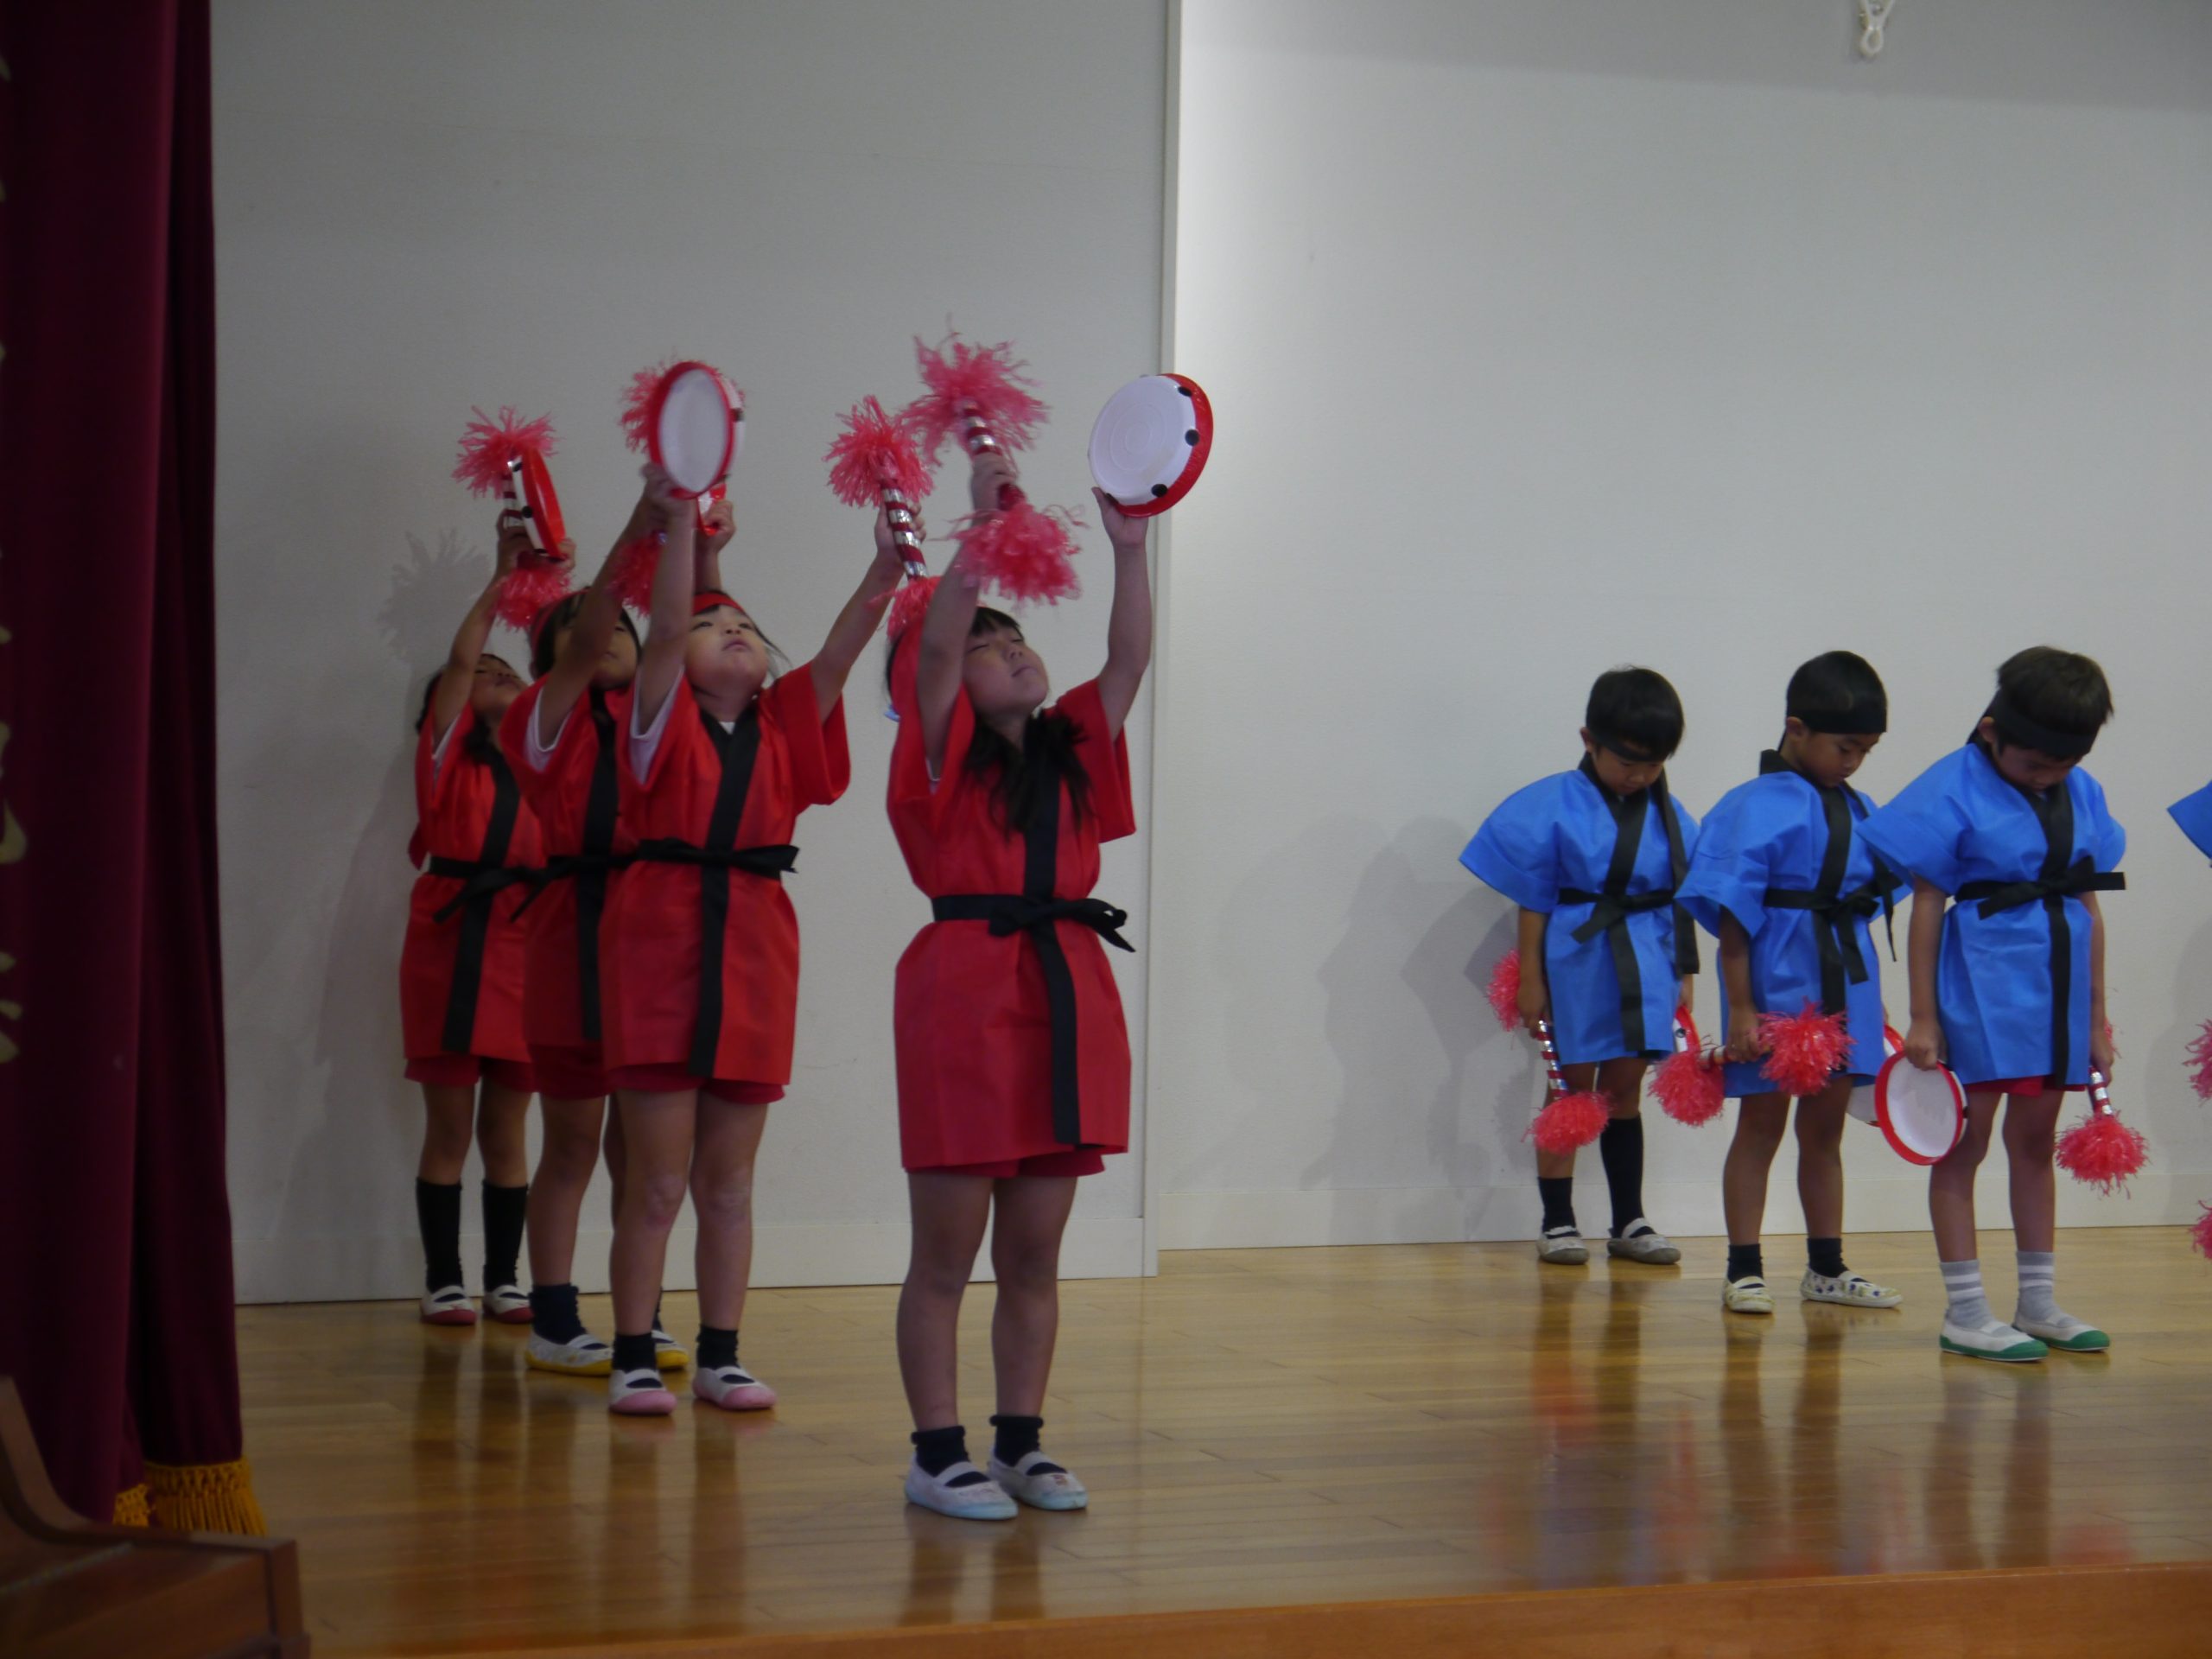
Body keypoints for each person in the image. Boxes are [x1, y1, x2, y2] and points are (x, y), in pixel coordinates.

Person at [596, 467, 904, 1414]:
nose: (732, 628)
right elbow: (660, 628)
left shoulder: (783, 723)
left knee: (728, 1184)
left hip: (755, 948)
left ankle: (722, 1352)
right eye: (709, 624)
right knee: (657, 1184)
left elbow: (844, 649)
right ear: (676, 657)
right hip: (658, 943)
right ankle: (634, 1351)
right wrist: (679, 526)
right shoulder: (655, 720)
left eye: (744, 624)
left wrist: (885, 566)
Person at [888, 451, 1150, 1521]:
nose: (1010, 651)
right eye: (987, 647)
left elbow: (1127, 660)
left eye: (1017, 638)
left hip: (1068, 992)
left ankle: (1019, 1445)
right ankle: (934, 1452)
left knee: (1034, 1254)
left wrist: (1129, 549)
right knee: (945, 1255)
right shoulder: (936, 751)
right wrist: (979, 539)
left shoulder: (1071, 745)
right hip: (964, 995)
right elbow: (935, 644)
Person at [1860, 647, 2124, 1362]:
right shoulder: (1952, 786)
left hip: (2056, 992)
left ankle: (2038, 1301)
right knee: (1964, 1147)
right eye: (2035, 764)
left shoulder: (2082, 792)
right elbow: (1926, 905)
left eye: (2063, 765)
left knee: (2034, 1143)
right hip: (1977, 991)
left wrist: (2095, 1018)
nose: (2048, 777)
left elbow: (2089, 904)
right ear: (1990, 731)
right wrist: (1923, 1017)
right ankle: (1966, 1310)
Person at [1679, 652, 1903, 1317]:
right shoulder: (1749, 807)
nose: (1854, 763)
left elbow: (1868, 901)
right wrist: (1742, 1008)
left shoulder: (1861, 808)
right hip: (1777, 993)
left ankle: (1826, 1268)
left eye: (1866, 751)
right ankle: (1744, 1269)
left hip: (1848, 989)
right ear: (1796, 729)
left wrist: (1874, 1004)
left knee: (1825, 1134)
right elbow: (1732, 916)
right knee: (1760, 1126)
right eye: (1845, 747)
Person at [1460, 668, 1699, 1268]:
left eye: (1654, 764)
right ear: (1589, 740)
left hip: (1646, 963)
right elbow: (1535, 898)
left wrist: (1685, 974)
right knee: (1568, 1088)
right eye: (1627, 761)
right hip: (1577, 963)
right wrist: (1532, 978)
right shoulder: (1553, 806)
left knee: (1624, 1092)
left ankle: (1630, 1219)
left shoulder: (1671, 815)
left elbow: (1683, 894)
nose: (1639, 775)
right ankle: (1558, 1220)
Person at [399, 514, 543, 1325]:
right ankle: (443, 1278)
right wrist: (503, 575)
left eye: (507, 668)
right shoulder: (445, 761)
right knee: (450, 1128)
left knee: (509, 1130)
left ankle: (504, 1277)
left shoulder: (545, 763)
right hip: (450, 945)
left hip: (526, 943)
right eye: (484, 670)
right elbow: (461, 659)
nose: (496, 672)